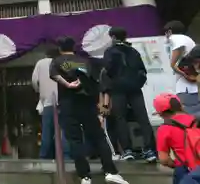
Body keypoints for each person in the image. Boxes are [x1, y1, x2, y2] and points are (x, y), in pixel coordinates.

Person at [50, 36, 128, 184]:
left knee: (75, 140)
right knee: (98, 137)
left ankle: (85, 176)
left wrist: (67, 84)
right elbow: (95, 82)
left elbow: (54, 75)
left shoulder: (57, 61)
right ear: (73, 47)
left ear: (60, 49)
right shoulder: (85, 61)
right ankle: (110, 171)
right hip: (87, 103)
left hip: (68, 103)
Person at [103, 26, 156, 162]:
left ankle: (127, 150)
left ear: (113, 37)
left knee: (120, 118)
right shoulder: (133, 51)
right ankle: (149, 150)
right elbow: (142, 71)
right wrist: (137, 83)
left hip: (118, 89)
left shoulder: (110, 51)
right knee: (142, 117)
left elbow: (108, 69)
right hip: (135, 89)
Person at [154, 92, 200, 184]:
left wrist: (174, 164)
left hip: (184, 169)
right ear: (181, 106)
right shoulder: (197, 120)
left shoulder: (164, 129)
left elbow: (164, 159)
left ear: (160, 114)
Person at [32, 47, 70, 159]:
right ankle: (66, 157)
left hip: (48, 103)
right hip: (63, 102)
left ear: (46, 54)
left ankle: (44, 158)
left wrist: (39, 91)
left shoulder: (40, 63)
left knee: (47, 132)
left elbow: (34, 81)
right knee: (64, 131)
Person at [165, 21, 200, 115]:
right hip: (194, 84)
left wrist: (173, 65)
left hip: (186, 87)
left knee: (191, 114)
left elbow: (174, 61)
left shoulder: (175, 38)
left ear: (169, 32)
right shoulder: (189, 39)